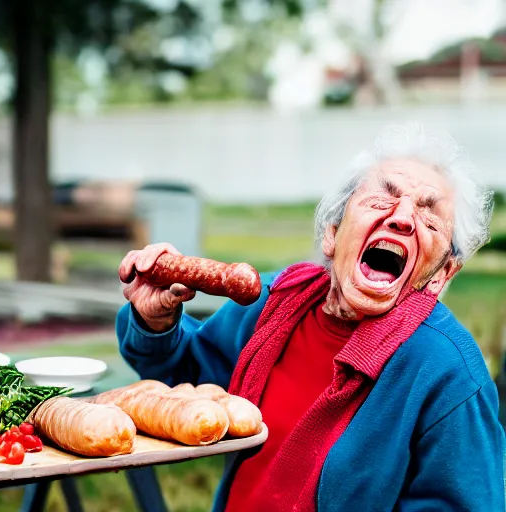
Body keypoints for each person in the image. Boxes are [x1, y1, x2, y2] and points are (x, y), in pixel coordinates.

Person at [116, 123, 505, 512]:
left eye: (430, 217)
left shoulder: (450, 375)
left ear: (441, 274)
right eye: (381, 198)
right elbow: (188, 385)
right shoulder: (274, 301)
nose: (402, 217)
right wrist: (156, 321)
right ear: (332, 233)